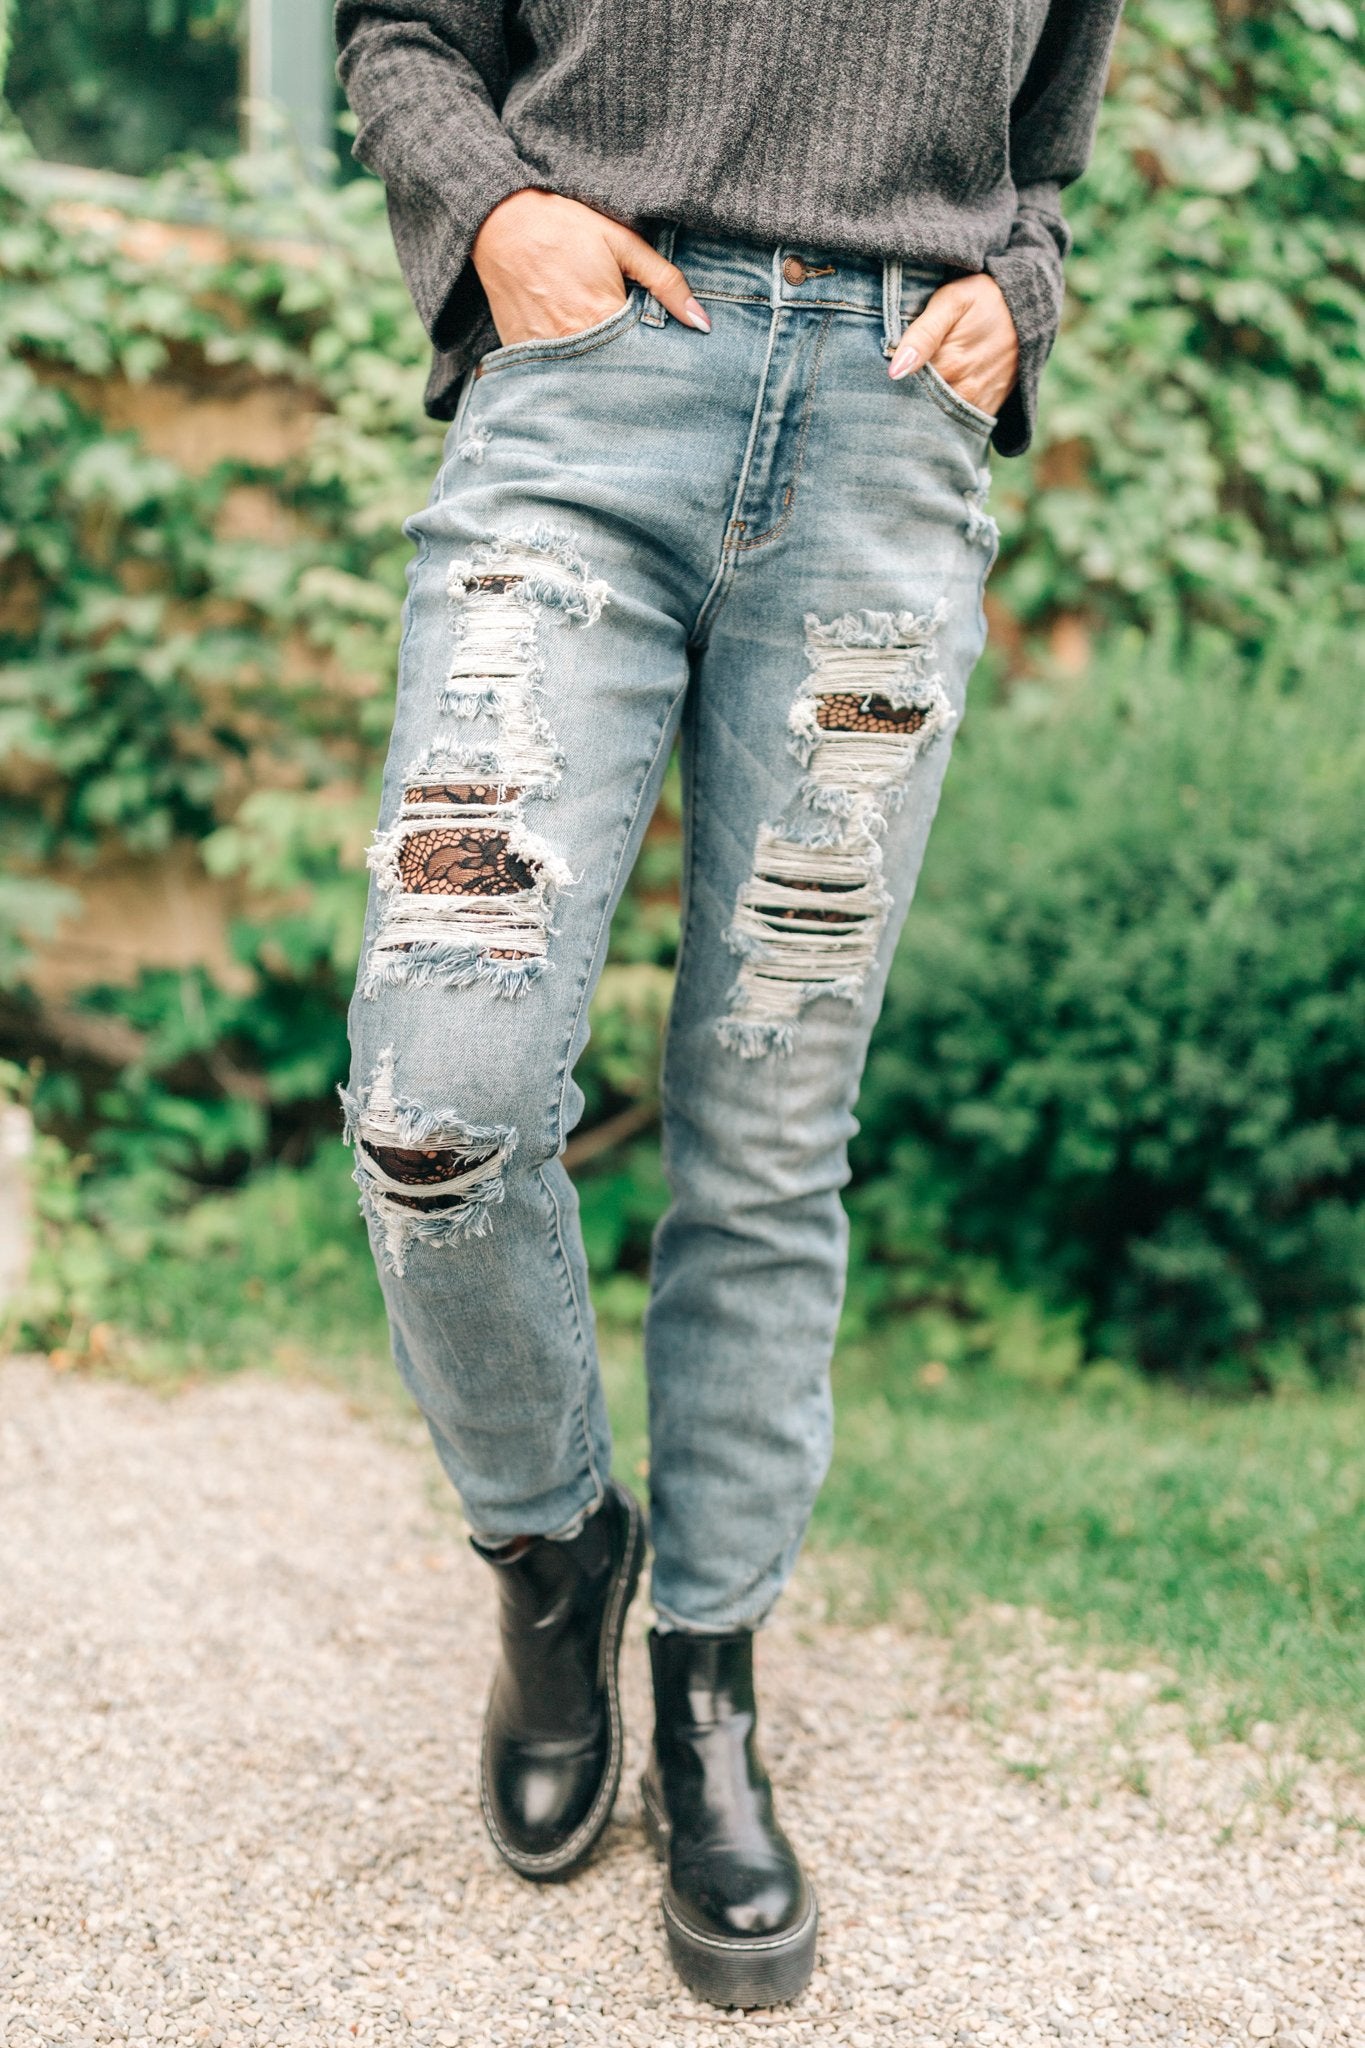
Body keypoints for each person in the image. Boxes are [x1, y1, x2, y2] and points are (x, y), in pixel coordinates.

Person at [334, 0, 1123, 2009]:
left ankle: (706, 1681)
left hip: (881, 442)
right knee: (441, 1087)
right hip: (590, 398)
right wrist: (499, 208)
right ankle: (549, 1548)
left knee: (770, 1121)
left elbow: (1037, 140)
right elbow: (400, 33)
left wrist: (1015, 294)